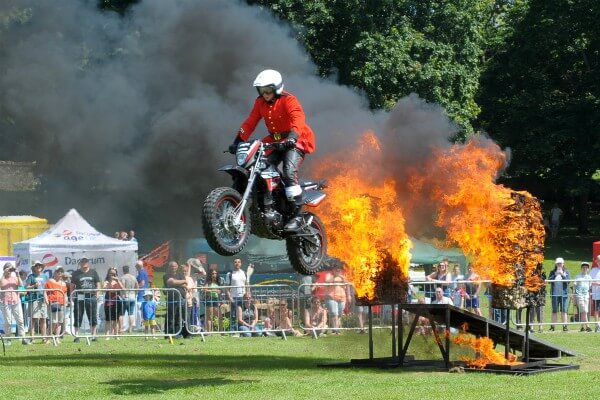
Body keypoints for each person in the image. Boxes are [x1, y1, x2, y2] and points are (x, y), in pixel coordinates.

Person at [230, 69, 316, 231]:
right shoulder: (260, 102)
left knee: (289, 171)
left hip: (296, 140)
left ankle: (297, 215)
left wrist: (292, 138)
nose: (265, 94)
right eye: (262, 90)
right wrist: (237, 141)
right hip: (274, 140)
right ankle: (266, 202)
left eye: (268, 90)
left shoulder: (289, 100)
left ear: (277, 88)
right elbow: (250, 122)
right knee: (258, 166)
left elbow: (298, 119)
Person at [70, 258, 101, 342]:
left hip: (91, 296)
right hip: (79, 296)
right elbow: (72, 286)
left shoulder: (93, 272)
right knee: (78, 315)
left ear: (88, 263)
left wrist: (97, 294)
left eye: (85, 262)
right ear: (80, 263)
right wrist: (72, 296)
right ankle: (77, 336)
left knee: (92, 316)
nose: (84, 263)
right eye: (82, 262)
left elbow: (98, 284)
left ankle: (93, 336)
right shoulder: (75, 273)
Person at [0, 263, 28, 345]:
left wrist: (17, 274)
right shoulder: (2, 278)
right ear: (4, 269)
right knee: (8, 322)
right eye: (7, 269)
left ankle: (23, 338)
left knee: (20, 320)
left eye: (10, 269)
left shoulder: (15, 278)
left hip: (16, 301)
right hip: (5, 302)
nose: (9, 271)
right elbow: (1, 285)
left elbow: (21, 285)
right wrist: (4, 274)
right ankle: (8, 339)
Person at [226, 258, 254, 332]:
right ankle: (232, 332)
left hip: (243, 298)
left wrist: (248, 295)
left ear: (241, 263)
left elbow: (247, 285)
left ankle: (242, 330)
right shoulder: (229, 274)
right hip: (234, 298)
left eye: (239, 262)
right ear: (233, 263)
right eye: (235, 262)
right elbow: (227, 288)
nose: (237, 263)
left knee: (243, 316)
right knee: (233, 315)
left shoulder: (244, 273)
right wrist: (230, 298)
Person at [163, 261, 188, 338]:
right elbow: (171, 282)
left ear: (177, 267)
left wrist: (179, 282)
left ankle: (178, 334)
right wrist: (182, 281)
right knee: (171, 317)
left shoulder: (180, 274)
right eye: (172, 266)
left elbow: (185, 284)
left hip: (182, 298)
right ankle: (169, 334)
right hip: (172, 298)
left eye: (175, 266)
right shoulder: (166, 275)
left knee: (180, 317)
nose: (173, 268)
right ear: (169, 267)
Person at [25, 261, 49, 343]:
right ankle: (32, 338)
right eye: (36, 265)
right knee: (33, 319)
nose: (38, 266)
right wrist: (33, 286)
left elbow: (46, 289)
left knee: (43, 319)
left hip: (42, 299)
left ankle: (44, 338)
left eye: (40, 265)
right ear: (34, 267)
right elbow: (26, 288)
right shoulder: (31, 276)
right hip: (34, 299)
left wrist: (46, 298)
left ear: (42, 267)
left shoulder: (45, 276)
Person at [45, 267, 68, 343]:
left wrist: (66, 300)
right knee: (54, 322)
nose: (60, 273)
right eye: (58, 271)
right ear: (54, 273)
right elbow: (45, 291)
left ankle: (57, 337)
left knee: (60, 322)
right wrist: (46, 300)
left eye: (61, 271)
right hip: (53, 303)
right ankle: (48, 338)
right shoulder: (50, 281)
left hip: (62, 304)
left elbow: (65, 293)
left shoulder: (64, 283)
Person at [324, 266, 349, 335]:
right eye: (336, 269)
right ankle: (335, 330)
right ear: (333, 270)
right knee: (334, 314)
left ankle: (336, 329)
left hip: (342, 298)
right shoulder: (329, 275)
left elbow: (347, 283)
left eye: (339, 269)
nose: (338, 270)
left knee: (339, 315)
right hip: (331, 297)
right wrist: (335, 276)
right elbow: (327, 282)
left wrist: (341, 276)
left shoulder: (343, 276)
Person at [548, 257, 570, 331]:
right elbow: (549, 281)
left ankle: (565, 326)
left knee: (564, 311)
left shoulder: (567, 272)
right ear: (556, 264)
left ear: (563, 264)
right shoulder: (552, 272)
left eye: (560, 263)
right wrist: (555, 275)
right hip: (555, 295)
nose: (559, 265)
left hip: (564, 295)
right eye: (558, 263)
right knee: (554, 311)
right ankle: (553, 327)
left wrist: (562, 275)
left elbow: (568, 281)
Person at [102, 267, 124, 339]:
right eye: (111, 273)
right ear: (108, 274)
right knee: (108, 320)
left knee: (116, 320)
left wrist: (118, 281)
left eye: (114, 274)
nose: (112, 275)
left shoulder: (118, 281)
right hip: (108, 302)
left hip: (116, 302)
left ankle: (116, 335)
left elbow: (123, 289)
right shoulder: (106, 281)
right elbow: (104, 289)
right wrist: (110, 282)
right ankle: (107, 336)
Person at [119, 265, 138, 334]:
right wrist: (136, 293)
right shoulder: (133, 277)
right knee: (131, 313)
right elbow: (137, 286)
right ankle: (130, 329)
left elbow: (123, 286)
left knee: (121, 314)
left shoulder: (123, 277)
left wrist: (122, 294)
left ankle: (121, 329)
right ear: (128, 270)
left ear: (123, 270)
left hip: (125, 296)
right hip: (132, 296)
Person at [574, 262, 592, 332]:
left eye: (586, 267)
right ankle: (588, 326)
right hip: (579, 295)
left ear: (588, 269)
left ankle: (582, 327)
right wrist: (574, 295)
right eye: (583, 267)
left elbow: (590, 287)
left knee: (584, 311)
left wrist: (589, 294)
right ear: (581, 268)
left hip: (586, 296)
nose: (585, 269)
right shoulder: (578, 276)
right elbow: (574, 285)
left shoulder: (589, 277)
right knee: (584, 310)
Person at [530, 263, 547, 333]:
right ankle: (531, 327)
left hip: (540, 294)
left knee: (540, 311)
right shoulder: (530, 272)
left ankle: (540, 327)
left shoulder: (542, 274)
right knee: (532, 311)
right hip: (532, 294)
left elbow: (544, 284)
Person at [135, 260, 149, 329]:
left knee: (140, 310)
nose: (135, 267)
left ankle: (141, 326)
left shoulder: (141, 273)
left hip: (141, 294)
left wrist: (136, 288)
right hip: (144, 293)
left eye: (136, 266)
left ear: (138, 266)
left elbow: (142, 283)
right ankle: (143, 325)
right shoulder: (144, 272)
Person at [590, 255, 600, 332]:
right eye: (599, 261)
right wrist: (595, 283)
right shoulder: (593, 270)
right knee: (596, 310)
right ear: (597, 262)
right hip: (596, 294)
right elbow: (589, 281)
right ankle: (597, 325)